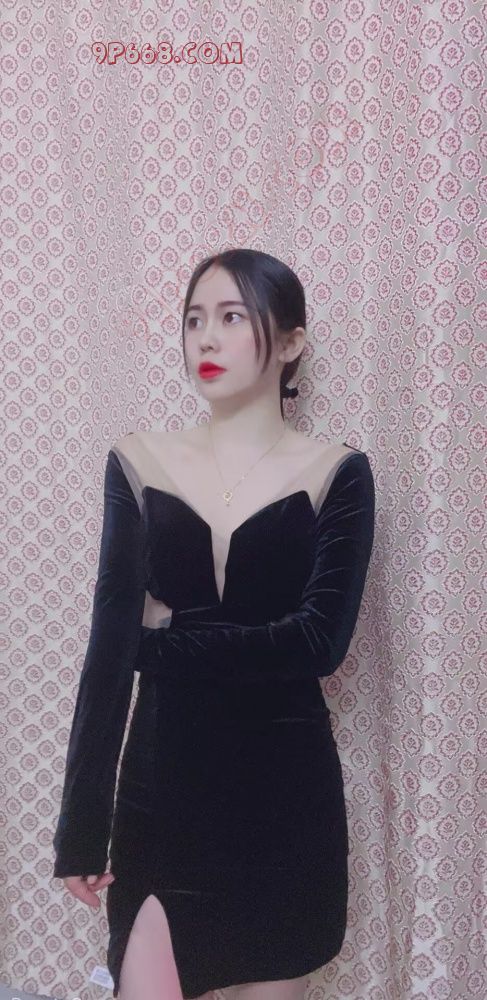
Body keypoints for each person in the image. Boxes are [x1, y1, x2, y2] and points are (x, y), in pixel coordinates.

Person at [52, 248, 375, 1000]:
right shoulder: (139, 462)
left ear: (290, 341)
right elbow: (107, 655)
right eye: (194, 319)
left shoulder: (338, 472)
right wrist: (81, 830)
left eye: (231, 317)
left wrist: (158, 644)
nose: (205, 337)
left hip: (284, 797)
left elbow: (319, 642)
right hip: (162, 791)